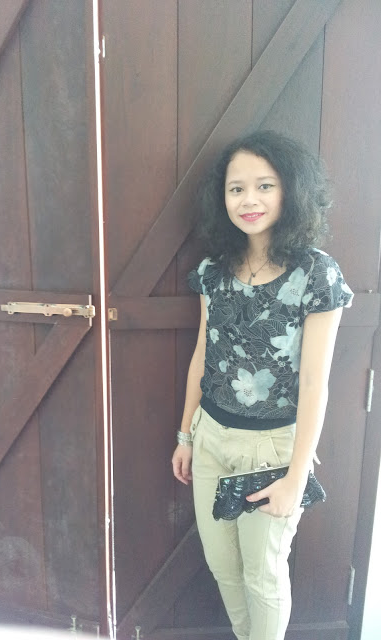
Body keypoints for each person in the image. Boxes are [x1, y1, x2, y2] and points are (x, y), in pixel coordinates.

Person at [171, 130, 353, 640]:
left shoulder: (317, 274)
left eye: (264, 186)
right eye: (236, 189)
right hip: (210, 439)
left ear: (291, 190)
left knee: (264, 575)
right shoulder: (213, 271)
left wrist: (296, 477)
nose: (248, 199)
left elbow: (315, 383)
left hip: (272, 450)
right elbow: (203, 356)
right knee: (223, 567)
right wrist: (186, 435)